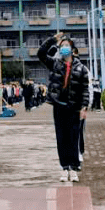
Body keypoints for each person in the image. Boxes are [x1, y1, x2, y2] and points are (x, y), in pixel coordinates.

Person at [37, 32, 90, 183]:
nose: (64, 48)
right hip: (59, 106)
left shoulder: (81, 68)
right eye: (62, 46)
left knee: (73, 137)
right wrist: (53, 40)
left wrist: (84, 107)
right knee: (61, 138)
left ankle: (73, 168)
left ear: (72, 49)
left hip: (74, 107)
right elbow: (40, 53)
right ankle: (64, 167)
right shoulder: (55, 63)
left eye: (67, 46)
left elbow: (85, 89)